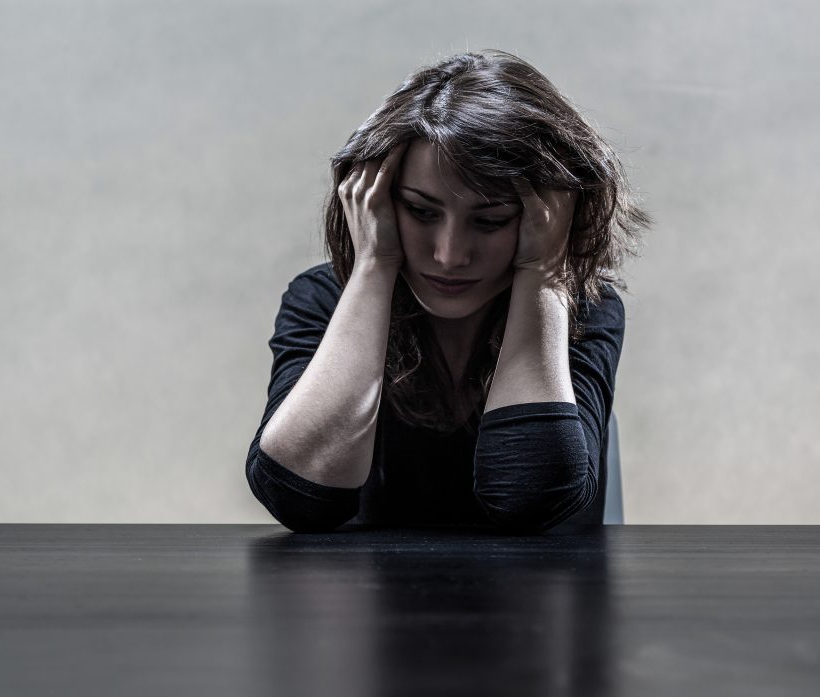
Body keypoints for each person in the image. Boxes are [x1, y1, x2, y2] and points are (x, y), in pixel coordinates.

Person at [245, 50, 650, 532]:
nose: (450, 255)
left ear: (552, 214)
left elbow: (531, 498)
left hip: (540, 585)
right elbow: (298, 500)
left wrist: (543, 273)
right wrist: (373, 265)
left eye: (490, 220)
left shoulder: (585, 307)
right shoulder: (321, 299)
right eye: (421, 212)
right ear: (371, 202)